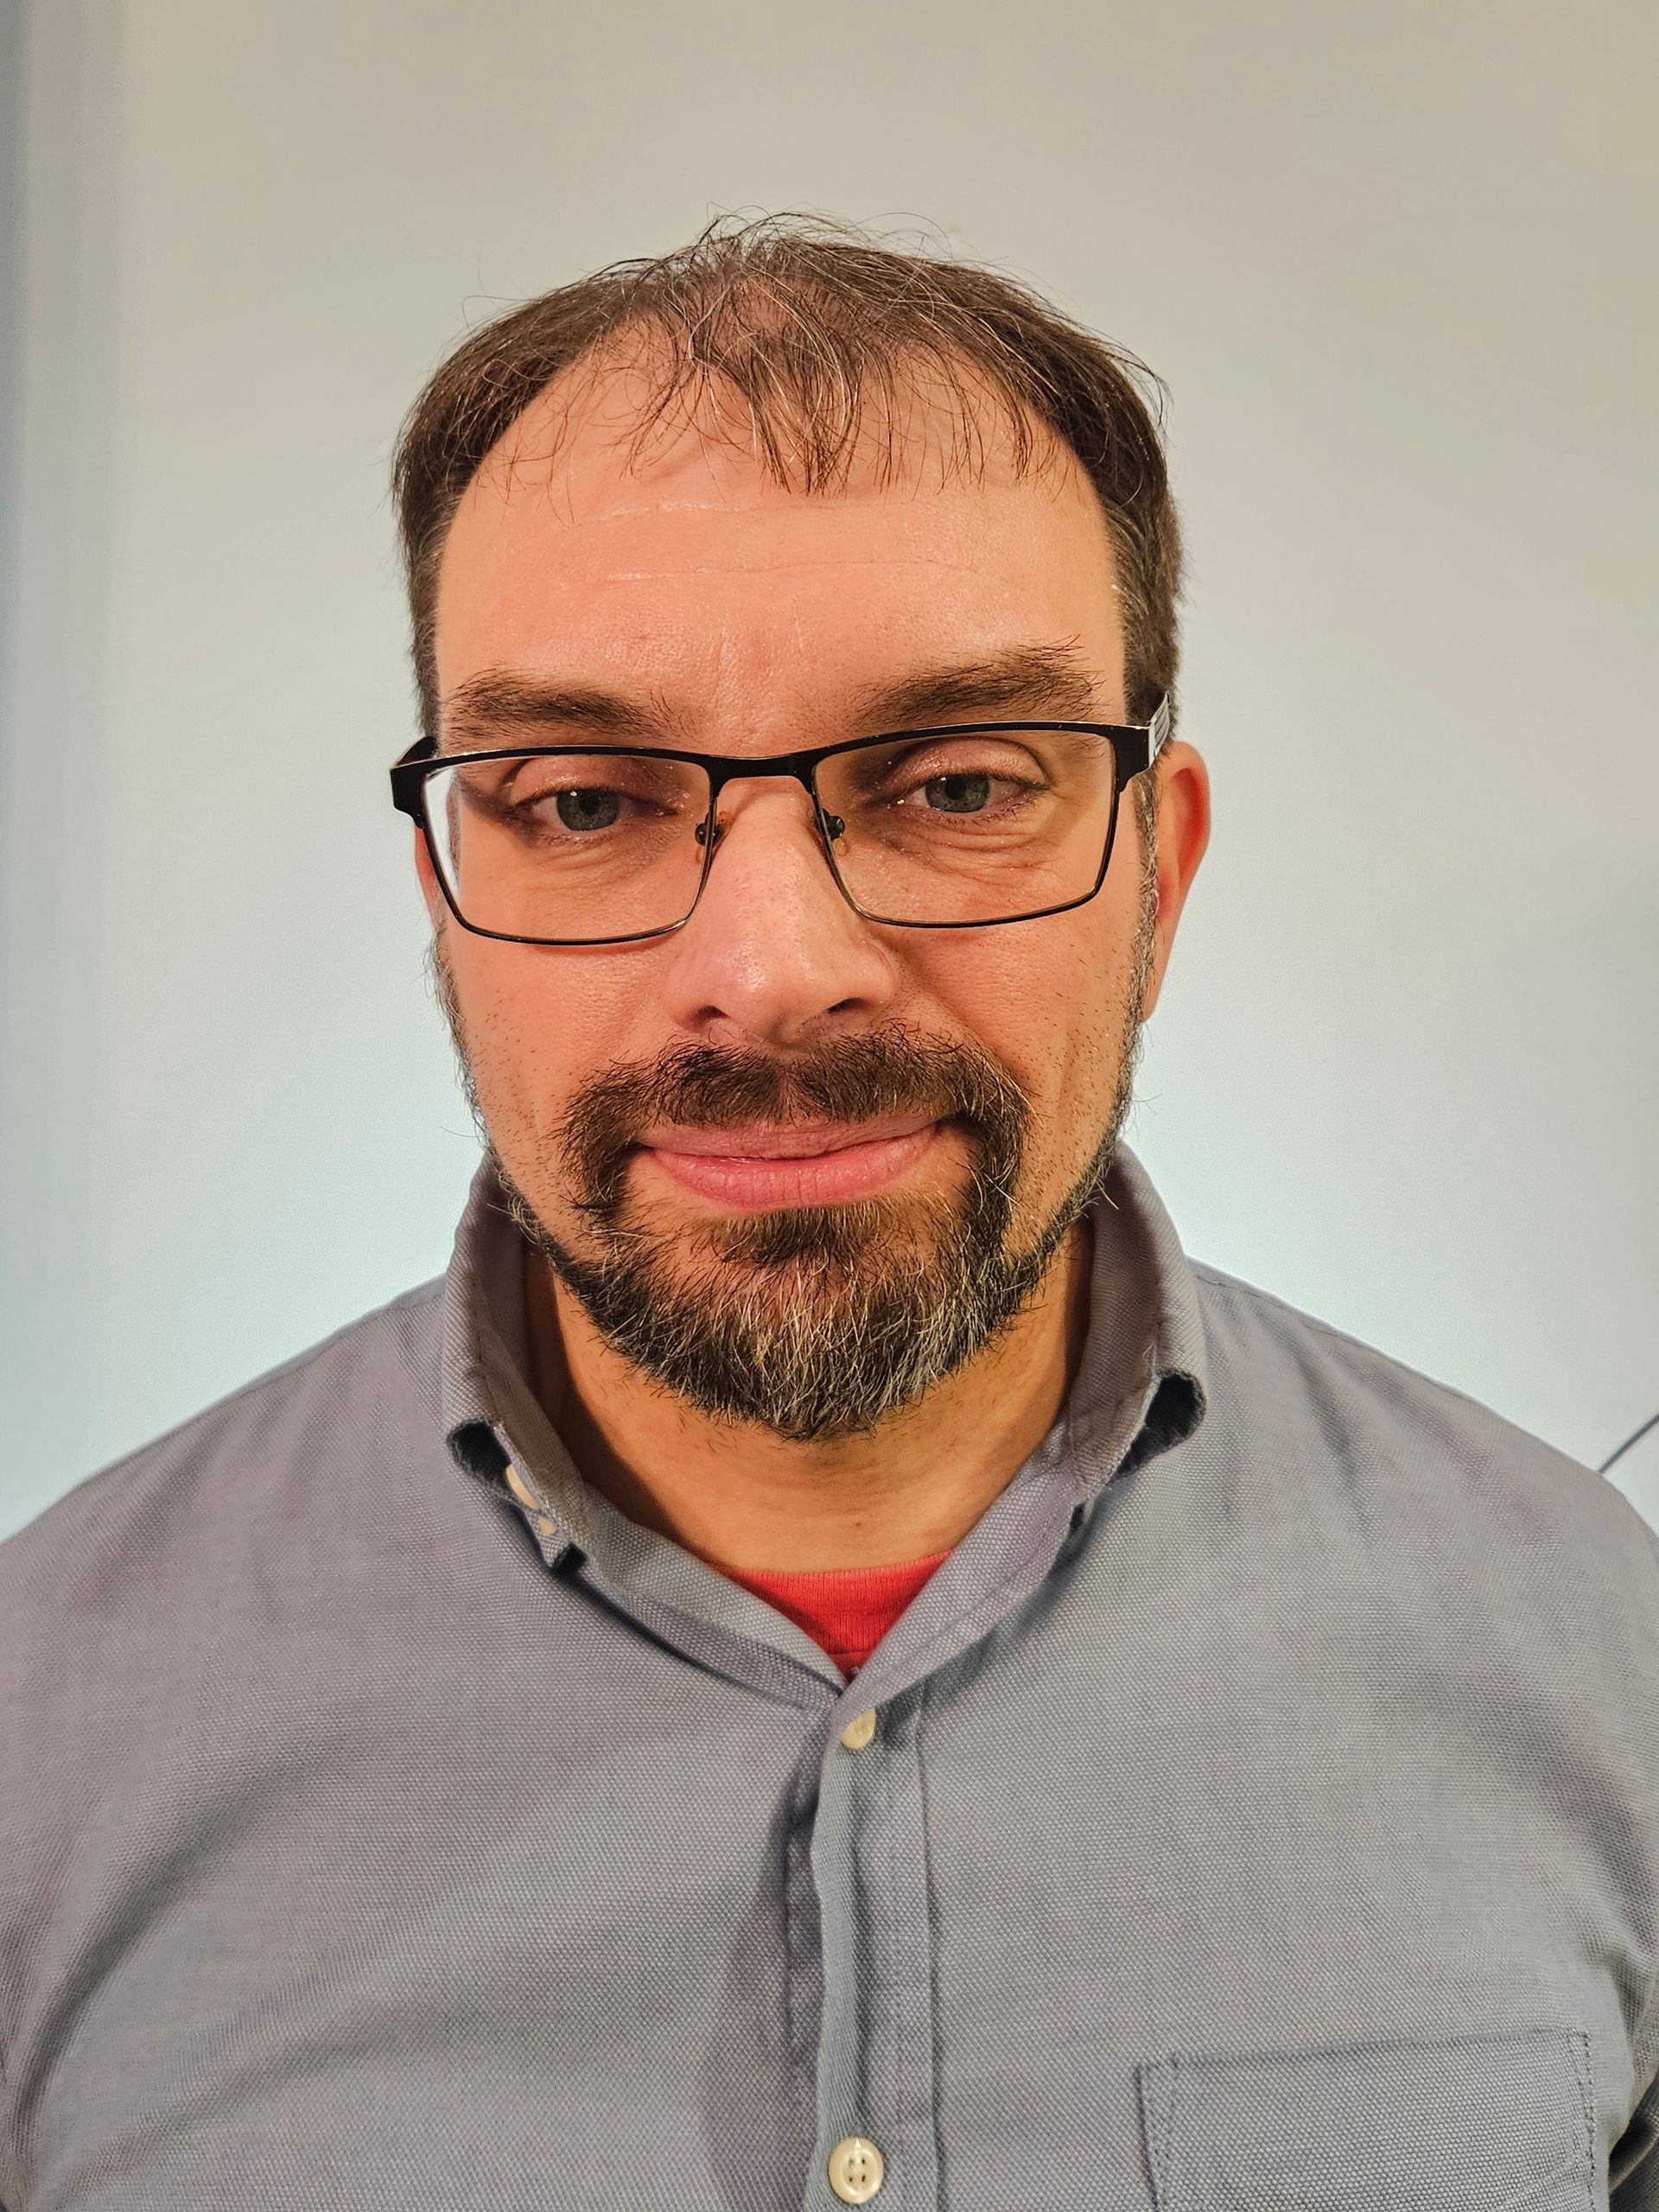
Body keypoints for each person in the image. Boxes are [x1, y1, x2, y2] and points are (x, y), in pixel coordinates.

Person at [2, 215, 1656, 2212]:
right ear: (446, 894)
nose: (775, 972)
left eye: (957, 785)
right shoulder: (43, 1730)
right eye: (585, 801)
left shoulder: (1601, 1656)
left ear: (1159, 869)